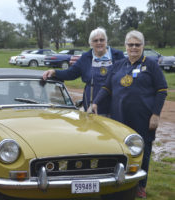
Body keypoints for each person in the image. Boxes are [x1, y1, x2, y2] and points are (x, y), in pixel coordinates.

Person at [92, 30, 168, 198]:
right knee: (120, 150)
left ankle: (140, 185)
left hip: (143, 118)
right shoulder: (118, 65)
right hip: (119, 119)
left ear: (143, 46)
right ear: (125, 46)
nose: (134, 48)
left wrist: (155, 115)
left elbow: (162, 90)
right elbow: (106, 87)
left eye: (137, 44)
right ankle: (120, 182)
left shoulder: (151, 65)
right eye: (130, 44)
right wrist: (95, 102)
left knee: (143, 152)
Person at [43, 27, 124, 115]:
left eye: (102, 40)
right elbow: (71, 73)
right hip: (92, 108)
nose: (99, 43)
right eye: (95, 40)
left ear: (106, 41)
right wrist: (55, 72)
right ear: (91, 43)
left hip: (114, 108)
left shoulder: (117, 56)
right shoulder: (85, 57)